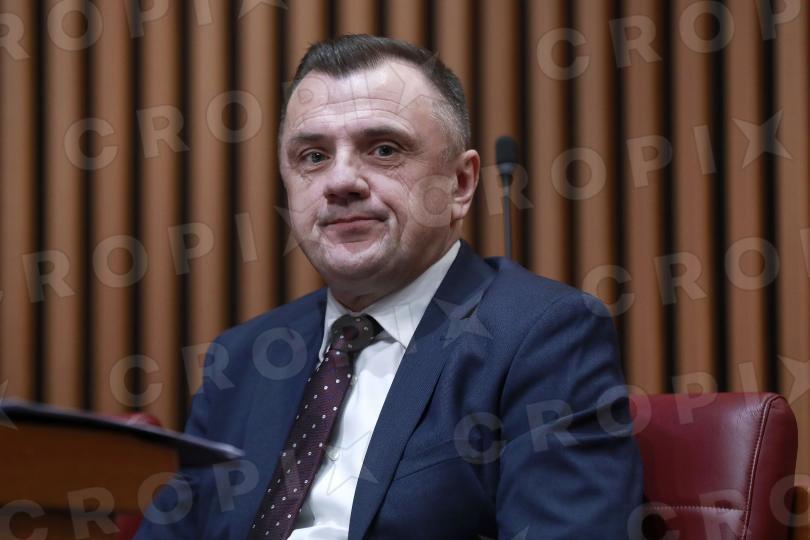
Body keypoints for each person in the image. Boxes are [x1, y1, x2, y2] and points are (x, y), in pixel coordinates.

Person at [135, 34, 642, 540]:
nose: (340, 181)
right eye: (313, 156)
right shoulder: (242, 357)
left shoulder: (543, 336)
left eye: (383, 149)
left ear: (461, 184)